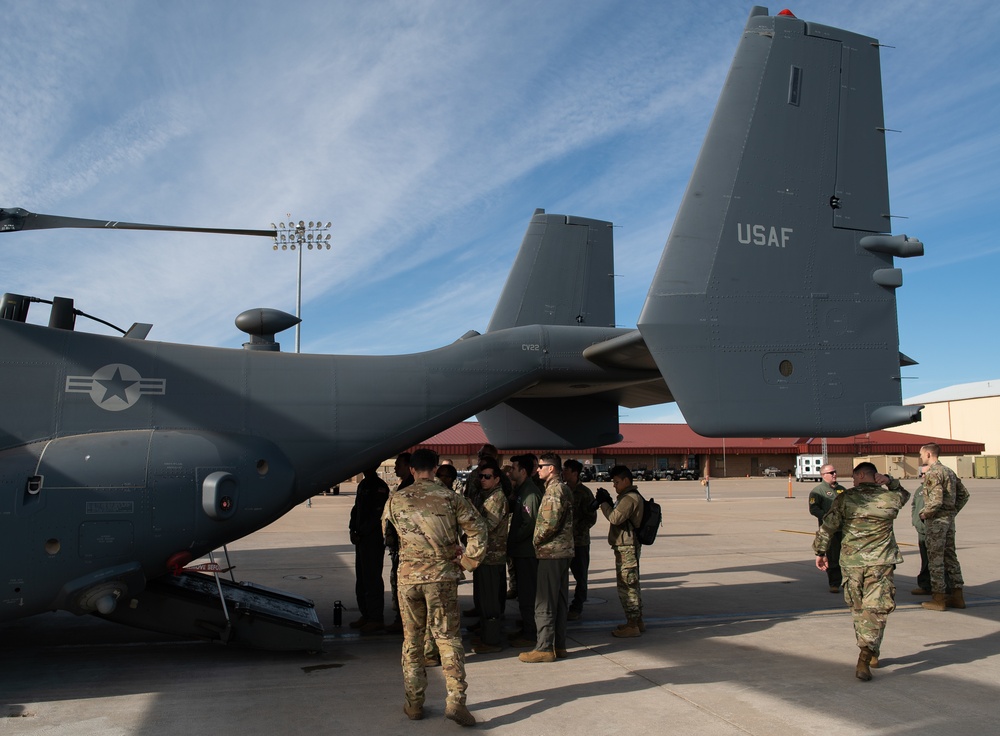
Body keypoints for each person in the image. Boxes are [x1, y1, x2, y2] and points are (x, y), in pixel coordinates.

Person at [382, 448, 486, 726]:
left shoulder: (396, 498)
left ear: (413, 470)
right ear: (437, 467)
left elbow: (387, 533)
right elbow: (479, 529)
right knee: (447, 638)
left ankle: (414, 704)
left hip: (409, 579)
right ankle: (455, 702)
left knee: (412, 641)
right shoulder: (452, 498)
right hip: (441, 578)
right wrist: (468, 562)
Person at [813, 462, 909, 681]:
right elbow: (904, 494)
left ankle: (866, 653)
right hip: (880, 563)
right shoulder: (889, 498)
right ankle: (869, 652)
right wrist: (890, 481)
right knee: (876, 609)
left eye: (854, 477)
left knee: (858, 609)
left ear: (862, 475)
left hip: (852, 563)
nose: (853, 482)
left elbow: (828, 526)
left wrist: (820, 551)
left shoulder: (845, 498)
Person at [519, 453, 574, 663]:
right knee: (559, 601)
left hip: (551, 553)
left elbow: (549, 524)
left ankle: (543, 648)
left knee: (545, 601)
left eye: (541, 466)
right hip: (562, 551)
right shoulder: (563, 488)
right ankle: (559, 645)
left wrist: (536, 540)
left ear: (551, 469)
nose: (538, 469)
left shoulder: (554, 491)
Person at [916, 443, 970, 611]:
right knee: (950, 557)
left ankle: (938, 598)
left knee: (935, 560)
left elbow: (936, 500)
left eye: (922, 454)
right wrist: (951, 512)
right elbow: (964, 494)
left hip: (937, 522)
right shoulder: (949, 471)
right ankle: (957, 595)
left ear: (929, 454)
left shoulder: (933, 472)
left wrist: (925, 513)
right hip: (948, 521)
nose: (920, 457)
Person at [595, 465, 645, 638]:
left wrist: (604, 503)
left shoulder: (629, 498)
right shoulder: (627, 497)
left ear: (626, 480)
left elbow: (615, 518)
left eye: (616, 482)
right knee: (632, 584)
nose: (614, 485)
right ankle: (637, 621)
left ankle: (632, 624)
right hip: (627, 546)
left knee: (627, 585)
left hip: (627, 547)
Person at [469, 458, 510, 654]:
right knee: (484, 599)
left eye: (487, 477)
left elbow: (485, 527)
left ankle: (492, 641)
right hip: (485, 555)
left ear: (497, 479)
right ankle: (486, 635)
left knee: (490, 600)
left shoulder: (496, 499)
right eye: (481, 477)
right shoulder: (486, 496)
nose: (483, 480)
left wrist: (467, 524)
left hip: (492, 556)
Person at [348, 467, 391, 634]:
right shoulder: (363, 484)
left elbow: (377, 514)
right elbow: (356, 510)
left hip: (372, 539)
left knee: (372, 577)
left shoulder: (379, 486)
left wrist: (363, 532)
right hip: (361, 537)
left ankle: (375, 617)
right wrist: (352, 529)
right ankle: (365, 614)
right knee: (362, 577)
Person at [506, 454, 541, 647]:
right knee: (523, 593)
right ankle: (528, 627)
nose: (511, 471)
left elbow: (530, 523)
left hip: (527, 552)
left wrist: (513, 540)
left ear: (523, 471)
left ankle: (531, 633)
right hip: (520, 552)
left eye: (514, 468)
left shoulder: (530, 494)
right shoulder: (521, 491)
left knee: (528, 594)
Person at [563, 459, 597, 619]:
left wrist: (576, 531)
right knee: (561, 576)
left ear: (575, 473)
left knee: (580, 577)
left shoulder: (584, 493)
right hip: (563, 542)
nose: (564, 472)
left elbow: (591, 517)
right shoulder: (561, 490)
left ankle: (577, 607)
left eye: (567, 470)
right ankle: (560, 605)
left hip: (579, 542)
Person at [384, 453, 414, 635]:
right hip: (398, 546)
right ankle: (400, 618)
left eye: (398, 465)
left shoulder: (409, 488)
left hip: (405, 547)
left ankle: (402, 620)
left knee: (402, 584)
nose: (395, 468)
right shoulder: (402, 486)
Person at [808, 464, 846, 593]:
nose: (834, 474)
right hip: (829, 530)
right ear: (823, 475)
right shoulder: (817, 491)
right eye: (831, 473)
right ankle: (834, 583)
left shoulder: (842, 490)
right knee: (833, 556)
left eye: (835, 472)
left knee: (846, 555)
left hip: (844, 528)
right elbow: (813, 509)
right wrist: (826, 517)